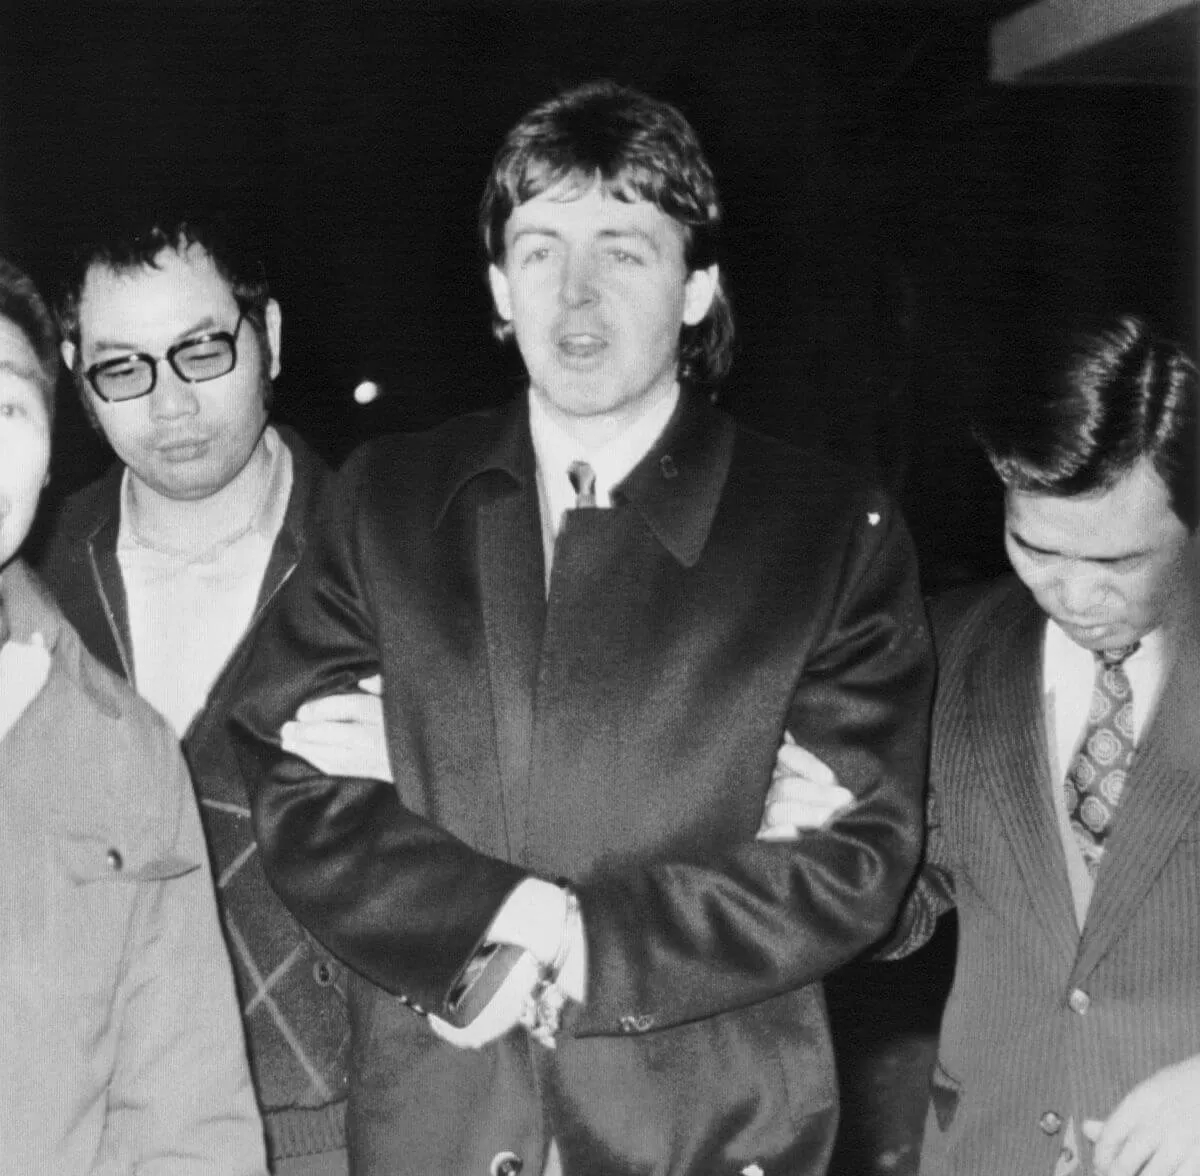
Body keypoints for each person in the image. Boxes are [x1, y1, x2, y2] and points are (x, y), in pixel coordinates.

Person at [231, 80, 932, 1176]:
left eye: (626, 250)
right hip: (443, 1125)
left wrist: (582, 935)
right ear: (500, 287)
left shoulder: (828, 535)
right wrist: (494, 925)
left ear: (699, 289)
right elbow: (297, 782)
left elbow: (855, 857)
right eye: (541, 250)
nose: (577, 297)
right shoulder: (386, 502)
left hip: (706, 1131)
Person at [778, 315, 1200, 1176]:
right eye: (1036, 548)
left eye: (1118, 562)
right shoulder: (949, 647)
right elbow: (904, 901)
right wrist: (818, 855)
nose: (1075, 595)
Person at [36, 211, 358, 1175]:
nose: (170, 403)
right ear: (75, 376)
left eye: (202, 350)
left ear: (271, 340)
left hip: (337, 1134)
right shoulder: (33, 581)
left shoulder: (392, 561)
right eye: (123, 366)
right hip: (86, 1134)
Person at [0, 255, 267, 1173]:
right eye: (124, 367)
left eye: (4, 410)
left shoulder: (121, 748)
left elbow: (184, 1124)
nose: (171, 404)